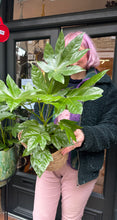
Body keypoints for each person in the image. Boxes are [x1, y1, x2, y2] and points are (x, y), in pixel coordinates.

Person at [32, 31, 117, 220]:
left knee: (71, 217)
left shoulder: (104, 87)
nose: (73, 57)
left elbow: (112, 129)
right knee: (40, 216)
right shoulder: (52, 84)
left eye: (79, 51)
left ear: (89, 54)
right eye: (67, 53)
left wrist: (85, 135)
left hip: (81, 166)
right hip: (49, 160)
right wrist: (30, 133)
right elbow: (37, 116)